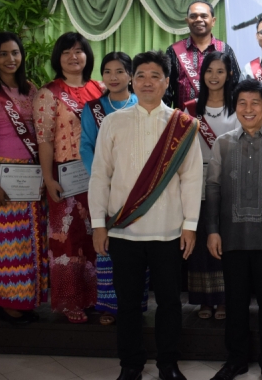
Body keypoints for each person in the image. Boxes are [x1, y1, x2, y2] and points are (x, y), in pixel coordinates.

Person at [88, 50, 203, 380]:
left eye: (155, 76)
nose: (147, 81)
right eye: (141, 75)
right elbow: (99, 176)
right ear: (131, 80)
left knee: (169, 303)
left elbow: (192, 178)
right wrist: (98, 225)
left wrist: (190, 226)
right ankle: (130, 364)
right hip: (123, 232)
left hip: (168, 232)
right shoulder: (113, 122)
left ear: (167, 83)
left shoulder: (182, 125)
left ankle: (168, 364)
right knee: (127, 305)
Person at [206, 79, 262, 380]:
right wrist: (213, 229)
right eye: (242, 103)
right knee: (236, 302)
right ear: (235, 107)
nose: (248, 108)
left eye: (255, 102)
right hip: (232, 237)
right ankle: (236, 360)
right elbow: (213, 187)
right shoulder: (223, 143)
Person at [0, 32, 47, 325]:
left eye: (15, 53)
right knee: (9, 245)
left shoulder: (30, 89)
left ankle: (28, 299)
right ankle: (8, 303)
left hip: (30, 174)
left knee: (32, 241)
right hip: (3, 174)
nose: (10, 59)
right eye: (3, 54)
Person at [34, 32, 104, 324]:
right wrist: (48, 180)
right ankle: (70, 300)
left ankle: (99, 297)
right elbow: (45, 140)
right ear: (58, 58)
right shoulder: (48, 93)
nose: (74, 57)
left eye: (79, 51)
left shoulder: (100, 89)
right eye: (66, 52)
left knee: (96, 239)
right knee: (67, 241)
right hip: (65, 177)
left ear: (87, 55)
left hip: (98, 176)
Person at [80, 52, 145, 326]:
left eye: (120, 71)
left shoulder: (144, 104)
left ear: (130, 75)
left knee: (138, 249)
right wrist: (102, 175)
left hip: (140, 189)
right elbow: (86, 146)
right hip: (106, 189)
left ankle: (137, 304)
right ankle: (109, 305)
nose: (113, 77)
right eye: (108, 72)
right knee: (108, 247)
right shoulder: (92, 108)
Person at [185, 51, 241, 320]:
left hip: (230, 182)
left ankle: (225, 300)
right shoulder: (188, 108)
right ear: (202, 74)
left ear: (229, 74)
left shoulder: (238, 106)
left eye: (220, 71)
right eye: (209, 71)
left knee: (225, 240)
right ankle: (203, 300)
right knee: (200, 241)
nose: (214, 76)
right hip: (197, 183)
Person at [164, 0, 241, 108]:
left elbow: (236, 88)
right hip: (184, 121)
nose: (198, 19)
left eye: (204, 16)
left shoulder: (225, 50)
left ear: (213, 21)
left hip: (220, 120)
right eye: (193, 16)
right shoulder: (174, 51)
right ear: (187, 21)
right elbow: (165, 90)